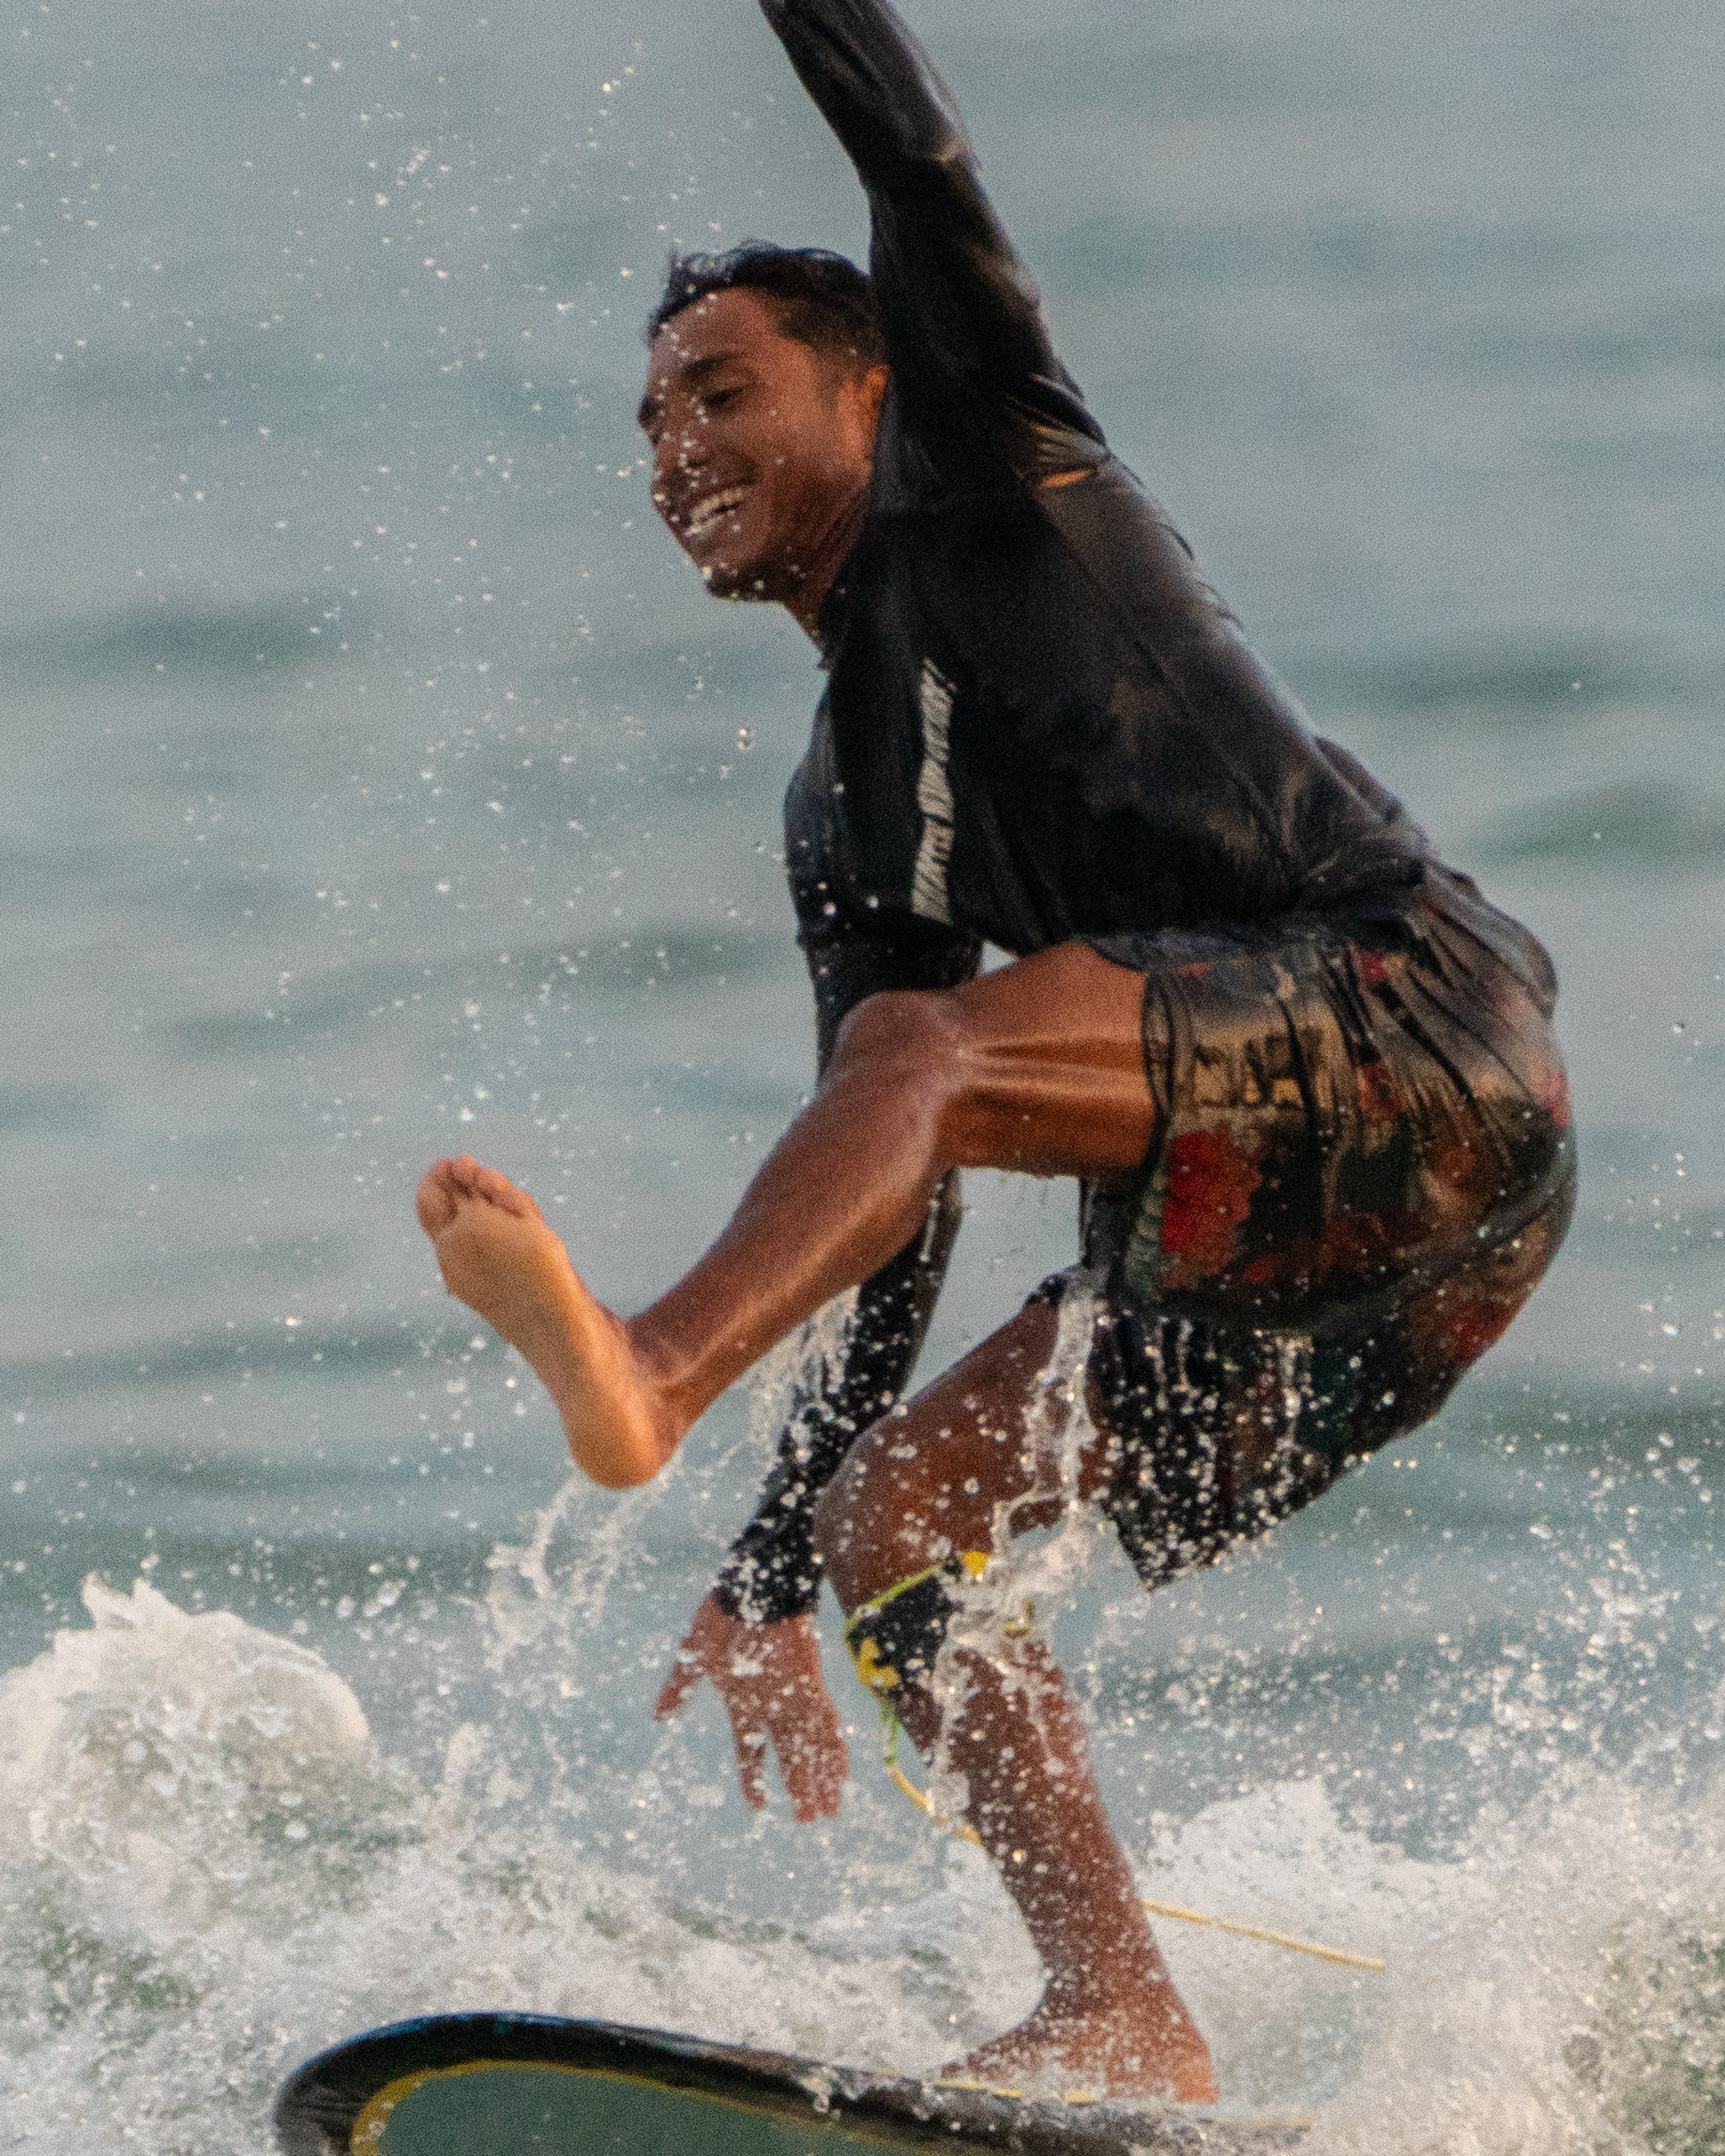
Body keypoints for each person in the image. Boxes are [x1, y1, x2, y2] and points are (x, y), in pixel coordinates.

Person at [416, 0, 1574, 2103]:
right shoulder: (838, 817)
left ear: (876, 382)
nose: (674, 444)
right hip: (1290, 1243)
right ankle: (1123, 2005)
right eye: (649, 418)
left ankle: (648, 1369)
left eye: (721, 389)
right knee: (898, 1526)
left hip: (1416, 1027)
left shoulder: (995, 472)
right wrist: (771, 1566)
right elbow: (890, 1193)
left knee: (921, 1050)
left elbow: (915, 155)